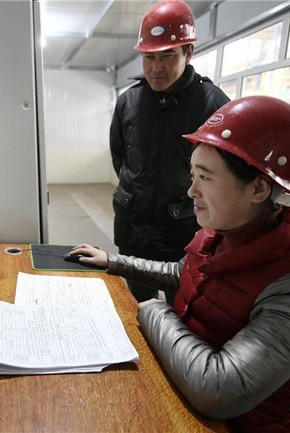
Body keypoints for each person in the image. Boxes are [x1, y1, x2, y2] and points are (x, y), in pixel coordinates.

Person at [72, 96, 290, 433]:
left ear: (259, 188)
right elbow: (182, 273)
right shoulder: (220, 229)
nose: (191, 191)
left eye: (205, 177)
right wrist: (115, 262)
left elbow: (217, 390)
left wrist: (154, 310)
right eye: (192, 175)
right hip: (178, 389)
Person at [110, 0, 230, 304]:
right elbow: (120, 157)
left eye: (167, 55)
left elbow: (225, 174)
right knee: (139, 309)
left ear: (188, 52)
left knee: (184, 313)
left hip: (184, 236)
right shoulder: (129, 102)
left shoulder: (213, 105)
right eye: (149, 57)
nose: (156, 67)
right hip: (133, 231)